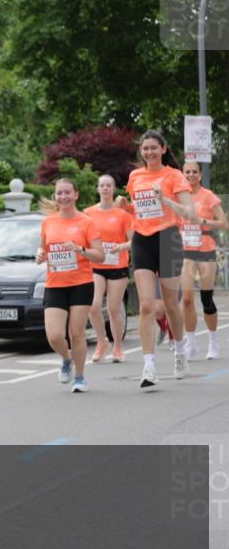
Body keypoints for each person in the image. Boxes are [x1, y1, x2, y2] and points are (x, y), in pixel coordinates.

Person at [116, 130, 199, 388]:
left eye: (153, 147)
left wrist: (164, 200)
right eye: (145, 148)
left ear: (163, 149)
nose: (149, 152)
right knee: (146, 306)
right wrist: (125, 207)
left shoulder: (174, 176)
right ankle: (149, 366)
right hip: (142, 240)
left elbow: (191, 213)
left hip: (168, 239)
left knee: (171, 305)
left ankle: (180, 350)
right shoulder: (135, 177)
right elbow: (138, 210)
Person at [36, 178, 105, 393]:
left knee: (76, 333)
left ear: (75, 195)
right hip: (55, 283)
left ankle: (80, 377)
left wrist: (80, 250)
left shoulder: (87, 222)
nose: (63, 197)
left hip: (81, 283)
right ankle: (66, 359)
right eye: (59, 193)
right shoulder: (48, 222)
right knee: (54, 336)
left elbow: (100, 256)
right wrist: (40, 255)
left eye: (67, 192)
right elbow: (43, 249)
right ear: (55, 197)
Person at [178, 160, 227, 360]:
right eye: (187, 172)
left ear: (199, 175)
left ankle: (213, 341)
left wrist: (203, 221)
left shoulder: (209, 196)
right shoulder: (178, 197)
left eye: (194, 172)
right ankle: (191, 342)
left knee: (207, 299)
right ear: (182, 174)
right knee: (187, 298)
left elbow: (224, 224)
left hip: (206, 250)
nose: (190, 175)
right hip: (186, 251)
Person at [84, 174, 134, 363]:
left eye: (108, 185)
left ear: (113, 189)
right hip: (95, 265)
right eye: (102, 185)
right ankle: (102, 341)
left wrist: (121, 247)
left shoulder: (123, 215)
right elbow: (83, 237)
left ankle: (118, 347)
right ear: (98, 189)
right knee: (94, 306)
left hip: (117, 265)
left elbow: (133, 240)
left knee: (113, 308)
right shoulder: (88, 213)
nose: (105, 188)